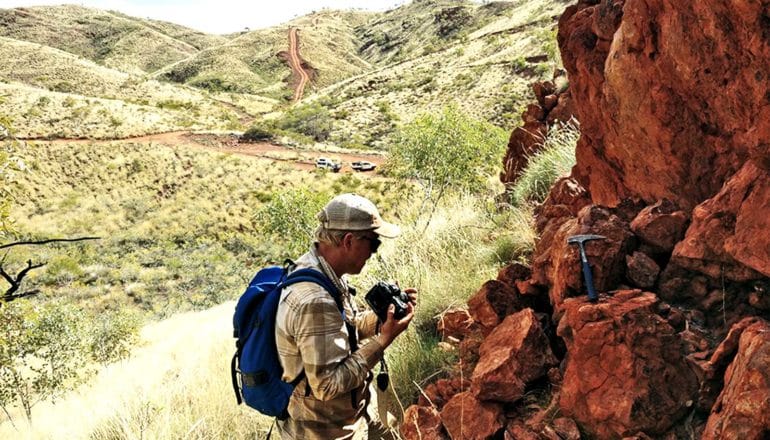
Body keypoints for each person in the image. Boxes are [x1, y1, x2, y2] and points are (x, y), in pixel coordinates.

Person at [275, 193, 416, 439]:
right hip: (324, 430)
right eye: (373, 243)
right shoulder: (314, 300)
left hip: (352, 414)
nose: (374, 252)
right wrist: (382, 342)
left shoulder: (322, 271)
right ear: (349, 241)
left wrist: (386, 317)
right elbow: (327, 386)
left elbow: (343, 328)